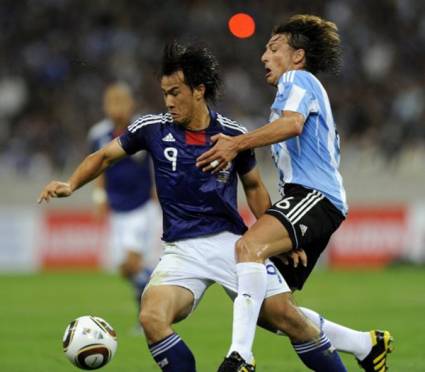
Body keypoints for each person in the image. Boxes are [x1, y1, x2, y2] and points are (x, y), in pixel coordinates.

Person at [38, 41, 348, 372]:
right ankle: (361, 344)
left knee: (290, 320)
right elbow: (103, 156)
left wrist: (275, 241)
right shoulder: (152, 128)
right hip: (181, 251)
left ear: (199, 90)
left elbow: (255, 187)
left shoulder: (232, 135)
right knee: (151, 318)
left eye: (176, 92)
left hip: (232, 246)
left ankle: (355, 349)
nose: (168, 102)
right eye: (165, 93)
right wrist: (71, 184)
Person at [197, 15, 393, 372]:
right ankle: (364, 344)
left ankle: (240, 357)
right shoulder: (301, 89)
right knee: (275, 311)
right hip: (308, 203)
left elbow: (292, 125)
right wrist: (289, 232)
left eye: (273, 49)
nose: (263, 57)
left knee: (246, 248)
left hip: (316, 197)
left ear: (297, 56)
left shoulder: (297, 79)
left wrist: (236, 144)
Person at [87, 82, 159, 319]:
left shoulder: (142, 130)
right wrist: (100, 197)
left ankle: (150, 307)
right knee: (123, 268)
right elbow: (97, 168)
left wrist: (159, 193)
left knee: (131, 260)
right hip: (116, 209)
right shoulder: (98, 135)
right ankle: (147, 288)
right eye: (112, 102)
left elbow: (157, 164)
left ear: (131, 104)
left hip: (141, 206)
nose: (117, 107)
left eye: (121, 101)